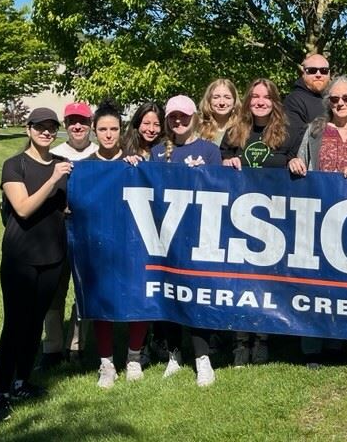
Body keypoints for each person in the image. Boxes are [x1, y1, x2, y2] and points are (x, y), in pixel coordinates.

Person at [288, 77, 347, 365]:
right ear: (327, 101)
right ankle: (312, 345)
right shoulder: (315, 130)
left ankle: (338, 342)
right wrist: (294, 162)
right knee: (314, 281)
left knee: (346, 281)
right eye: (334, 99)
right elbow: (300, 160)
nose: (340, 104)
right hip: (318, 216)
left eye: (346, 99)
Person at [0, 108, 73, 422]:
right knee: (14, 325)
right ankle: (1, 394)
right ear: (29, 129)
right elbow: (23, 209)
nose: (47, 132)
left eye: (52, 127)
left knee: (35, 322)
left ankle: (22, 382)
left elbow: (63, 207)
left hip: (52, 256)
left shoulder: (61, 166)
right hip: (20, 257)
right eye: (40, 127)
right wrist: (53, 180)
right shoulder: (15, 165)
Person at [221, 78, 296, 366]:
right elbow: (221, 162)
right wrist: (226, 162)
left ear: (274, 101)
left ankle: (263, 339)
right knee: (241, 282)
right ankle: (240, 342)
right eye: (255, 97)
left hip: (273, 222)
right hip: (238, 220)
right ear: (248, 101)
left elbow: (295, 160)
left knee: (266, 283)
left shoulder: (286, 134)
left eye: (266, 97)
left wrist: (292, 162)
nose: (260, 102)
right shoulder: (235, 132)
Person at [151, 95, 222, 386]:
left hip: (199, 235)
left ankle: (202, 358)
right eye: (173, 117)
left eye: (183, 116)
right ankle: (174, 354)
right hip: (165, 237)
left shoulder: (208, 150)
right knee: (168, 293)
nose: (178, 121)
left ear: (193, 116)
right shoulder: (156, 152)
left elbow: (221, 189)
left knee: (195, 295)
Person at [85, 100, 150, 388]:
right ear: (94, 131)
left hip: (132, 243)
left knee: (137, 298)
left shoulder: (134, 163)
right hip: (99, 244)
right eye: (103, 129)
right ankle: (106, 363)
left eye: (113, 129)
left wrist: (139, 169)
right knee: (103, 302)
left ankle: (133, 358)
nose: (109, 134)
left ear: (121, 131)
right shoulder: (85, 167)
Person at [39, 101, 97, 369]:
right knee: (53, 291)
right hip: (58, 233)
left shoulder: (100, 155)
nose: (77, 126)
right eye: (73, 121)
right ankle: (51, 348)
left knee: (84, 291)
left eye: (83, 121)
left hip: (89, 233)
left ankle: (77, 345)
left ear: (90, 125)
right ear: (66, 125)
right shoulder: (52, 155)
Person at [283, 53, 330, 152]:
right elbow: (294, 142)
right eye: (312, 71)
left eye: (324, 71)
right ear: (303, 73)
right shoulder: (294, 100)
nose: (318, 75)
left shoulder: (334, 100)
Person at [199, 78, 240, 146]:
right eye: (216, 97)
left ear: (234, 101)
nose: (222, 102)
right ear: (208, 100)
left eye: (227, 97)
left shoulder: (243, 130)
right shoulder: (198, 130)